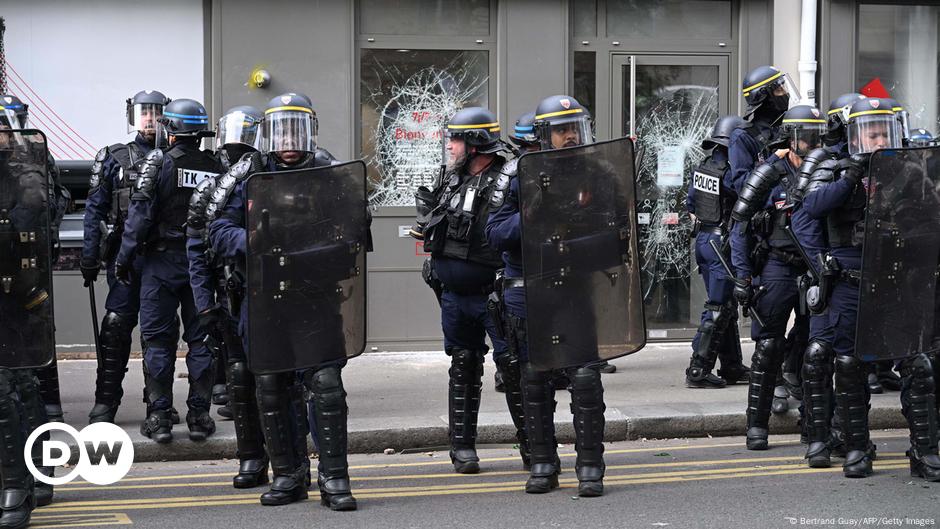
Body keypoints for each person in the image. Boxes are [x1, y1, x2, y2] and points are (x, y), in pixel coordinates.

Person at [209, 92, 360, 510]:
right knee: (272, 386)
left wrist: (311, 246)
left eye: (296, 130)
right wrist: (252, 241)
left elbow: (353, 234)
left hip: (314, 297)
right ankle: (289, 476)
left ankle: (335, 479)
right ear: (267, 134)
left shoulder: (330, 173)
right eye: (280, 130)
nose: (288, 141)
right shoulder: (248, 174)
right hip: (262, 299)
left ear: (311, 131)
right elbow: (216, 229)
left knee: (326, 385)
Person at [802, 97, 940, 479]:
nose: (880, 140)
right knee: (848, 367)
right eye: (872, 133)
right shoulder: (835, 169)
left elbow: (929, 218)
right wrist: (850, 178)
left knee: (918, 363)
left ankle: (925, 453)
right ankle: (857, 449)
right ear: (856, 135)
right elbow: (810, 209)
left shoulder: (908, 172)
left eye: (884, 132)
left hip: (895, 282)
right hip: (850, 285)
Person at [487, 94, 615, 497]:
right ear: (544, 135)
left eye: (574, 128)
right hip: (529, 290)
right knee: (533, 377)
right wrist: (530, 215)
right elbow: (494, 235)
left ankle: (591, 466)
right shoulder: (514, 175)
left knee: (585, 376)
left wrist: (575, 243)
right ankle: (543, 462)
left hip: (576, 287)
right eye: (561, 129)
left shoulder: (600, 175)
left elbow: (619, 237)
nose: (569, 136)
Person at [115, 98, 223, 443]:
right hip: (201, 268)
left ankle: (160, 417)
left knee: (158, 342)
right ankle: (199, 416)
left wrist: (124, 259)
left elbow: (139, 218)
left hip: (160, 265)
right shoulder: (217, 167)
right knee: (201, 341)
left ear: (170, 130)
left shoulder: (157, 162)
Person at [417, 106, 517, 474]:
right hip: (455, 296)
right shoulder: (451, 177)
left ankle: (534, 451)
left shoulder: (508, 178)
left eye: (456, 139)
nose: (450, 145)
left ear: (476, 143)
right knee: (463, 366)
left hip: (495, 294)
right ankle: (462, 449)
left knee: (514, 369)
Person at [730, 105, 826, 450]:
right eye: (805, 137)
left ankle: (813, 425)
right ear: (792, 138)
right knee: (768, 346)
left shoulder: (827, 172)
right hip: (778, 265)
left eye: (817, 136)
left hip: (815, 268)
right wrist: (742, 275)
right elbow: (739, 226)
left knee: (814, 346)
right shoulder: (771, 172)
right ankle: (757, 425)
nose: (812, 144)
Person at [81, 90, 174, 424]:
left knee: (159, 332)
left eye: (156, 112)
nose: (150, 119)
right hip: (126, 258)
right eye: (143, 112)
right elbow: (94, 210)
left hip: (164, 257)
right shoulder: (114, 157)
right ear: (133, 116)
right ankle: (106, 400)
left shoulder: (177, 156)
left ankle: (159, 403)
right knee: (117, 326)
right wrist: (89, 255)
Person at [187, 105, 267, 487]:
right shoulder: (211, 188)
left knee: (284, 382)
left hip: (272, 294)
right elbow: (197, 247)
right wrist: (204, 302)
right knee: (239, 377)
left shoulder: (271, 177)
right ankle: (250, 456)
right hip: (229, 294)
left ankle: (286, 459)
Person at [0, 124, 63, 527]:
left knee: (17, 388)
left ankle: (21, 484)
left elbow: (33, 225)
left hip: (16, 292)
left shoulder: (27, 175)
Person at [684, 114, 750, 388]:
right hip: (723, 246)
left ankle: (732, 365)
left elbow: (691, 205)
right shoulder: (733, 173)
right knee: (718, 308)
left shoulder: (704, 167)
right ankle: (698, 368)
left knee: (725, 306)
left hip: (705, 242)